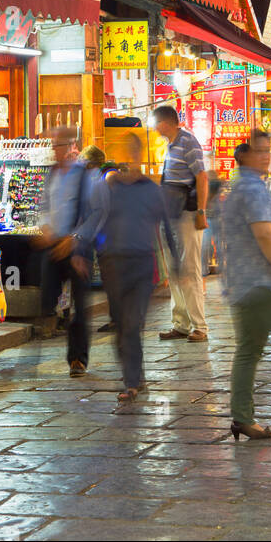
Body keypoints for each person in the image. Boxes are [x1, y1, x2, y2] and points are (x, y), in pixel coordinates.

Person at [75, 133, 178, 400]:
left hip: (142, 262)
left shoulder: (150, 189)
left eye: (133, 151)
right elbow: (93, 219)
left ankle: (131, 381)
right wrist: (81, 250)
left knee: (132, 323)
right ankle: (135, 374)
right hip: (112, 262)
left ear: (140, 155)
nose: (128, 157)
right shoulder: (106, 187)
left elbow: (166, 225)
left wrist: (175, 261)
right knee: (121, 323)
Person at [222, 133, 271, 439]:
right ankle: (242, 415)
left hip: (244, 280)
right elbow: (265, 234)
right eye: (260, 152)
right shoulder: (252, 187)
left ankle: (243, 414)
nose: (266, 156)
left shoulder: (241, 186)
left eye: (268, 151)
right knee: (254, 349)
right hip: (254, 282)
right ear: (245, 155)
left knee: (251, 348)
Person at [37, 125, 96, 376]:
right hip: (54, 245)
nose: (56, 151)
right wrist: (46, 227)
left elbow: (94, 215)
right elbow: (44, 206)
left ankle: (78, 359)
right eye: (54, 146)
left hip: (77, 247)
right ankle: (42, 339)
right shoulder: (52, 174)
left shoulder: (85, 177)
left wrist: (75, 241)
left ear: (71, 146)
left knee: (80, 306)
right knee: (46, 296)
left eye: (60, 146)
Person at [153, 104, 209, 342]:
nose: (154, 127)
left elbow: (202, 176)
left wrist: (201, 211)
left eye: (155, 122)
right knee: (175, 269)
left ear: (165, 122)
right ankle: (181, 323)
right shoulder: (169, 145)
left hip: (187, 212)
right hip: (170, 214)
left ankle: (200, 326)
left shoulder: (188, 141)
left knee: (190, 268)